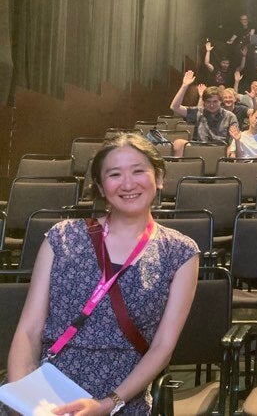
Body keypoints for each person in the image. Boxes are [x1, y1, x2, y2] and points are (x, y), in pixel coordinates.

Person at [7, 134, 199, 415]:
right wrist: (22, 400)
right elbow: (29, 329)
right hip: (48, 387)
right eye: (114, 174)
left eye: (138, 171)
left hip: (121, 395)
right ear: (100, 186)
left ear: (158, 177)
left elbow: (162, 347)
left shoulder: (180, 252)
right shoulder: (62, 237)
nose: (128, 184)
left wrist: (108, 404)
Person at [169, 70, 238, 157]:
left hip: (219, 150)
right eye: (208, 102)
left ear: (221, 101)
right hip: (199, 149)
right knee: (178, 143)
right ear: (204, 102)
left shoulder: (230, 116)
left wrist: (231, 150)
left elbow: (234, 140)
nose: (211, 105)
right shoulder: (199, 112)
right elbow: (174, 107)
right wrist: (184, 86)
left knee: (232, 151)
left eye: (215, 101)